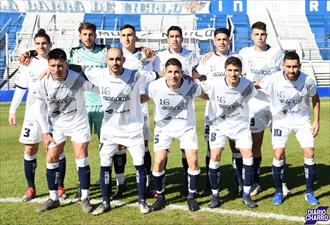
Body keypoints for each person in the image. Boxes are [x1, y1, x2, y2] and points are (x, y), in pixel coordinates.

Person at [80, 48, 158, 215]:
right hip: (109, 130)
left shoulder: (136, 75)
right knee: (105, 164)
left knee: (139, 164)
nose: (115, 63)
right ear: (106, 60)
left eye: (118, 59)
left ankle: (142, 201)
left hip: (133, 129)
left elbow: (160, 75)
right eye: (111, 59)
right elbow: (76, 67)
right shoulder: (98, 74)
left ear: (123, 60)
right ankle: (105, 201)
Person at [33, 48, 95, 213]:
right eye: (52, 65)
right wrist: (45, 132)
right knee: (51, 157)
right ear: (48, 65)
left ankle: (84, 197)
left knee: (81, 156)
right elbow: (39, 109)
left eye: (60, 65)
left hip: (78, 124)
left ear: (67, 64)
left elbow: (96, 86)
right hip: (57, 126)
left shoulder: (78, 79)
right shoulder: (43, 82)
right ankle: (53, 198)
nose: (56, 69)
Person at [8, 29, 66, 202]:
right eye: (38, 44)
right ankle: (31, 187)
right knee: (29, 149)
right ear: (34, 45)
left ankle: (60, 186)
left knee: (56, 150)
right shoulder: (28, 62)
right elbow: (20, 87)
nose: (41, 46)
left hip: (53, 114)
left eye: (44, 43)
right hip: (32, 113)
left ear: (50, 44)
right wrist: (13, 110)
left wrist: (53, 69)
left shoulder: (56, 62)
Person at [257, 51, 320, 205]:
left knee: (309, 153)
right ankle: (279, 192)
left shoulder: (308, 81)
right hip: (281, 122)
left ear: (300, 66)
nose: (292, 70)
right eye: (288, 66)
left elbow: (315, 98)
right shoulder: (273, 79)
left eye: (295, 67)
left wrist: (316, 121)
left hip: (302, 122)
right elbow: (257, 84)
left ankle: (309, 192)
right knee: (278, 155)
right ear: (282, 66)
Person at [238, 21, 291, 196]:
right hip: (254, 105)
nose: (260, 38)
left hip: (276, 105)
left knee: (279, 145)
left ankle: (281, 183)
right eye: (257, 34)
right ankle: (256, 182)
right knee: (255, 145)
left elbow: (285, 75)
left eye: (263, 34)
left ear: (266, 35)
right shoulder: (244, 53)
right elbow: (231, 66)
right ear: (252, 36)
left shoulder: (277, 53)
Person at [144, 58, 203, 212]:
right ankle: (161, 197)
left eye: (176, 72)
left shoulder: (191, 85)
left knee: (193, 160)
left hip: (186, 127)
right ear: (165, 72)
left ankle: (191, 197)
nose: (173, 75)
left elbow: (207, 94)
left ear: (181, 73)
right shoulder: (155, 86)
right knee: (158, 161)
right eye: (170, 72)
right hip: (163, 129)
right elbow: (144, 98)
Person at [200, 56, 258, 208]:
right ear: (225, 71)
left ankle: (246, 195)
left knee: (248, 155)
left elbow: (256, 94)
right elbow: (199, 90)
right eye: (230, 70)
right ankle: (215, 195)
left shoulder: (247, 85)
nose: (233, 73)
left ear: (241, 71)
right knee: (215, 155)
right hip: (219, 125)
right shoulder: (214, 83)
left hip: (240, 126)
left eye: (236, 70)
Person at [195, 28, 244, 196]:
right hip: (214, 112)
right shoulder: (206, 60)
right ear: (214, 41)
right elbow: (196, 76)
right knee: (212, 148)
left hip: (235, 112)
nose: (222, 42)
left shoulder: (237, 59)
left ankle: (240, 183)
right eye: (219, 39)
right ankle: (209, 185)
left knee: (236, 147)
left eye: (225, 39)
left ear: (229, 40)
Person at [153, 25, 200, 194]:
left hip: (185, 108)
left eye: (177, 36)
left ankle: (189, 184)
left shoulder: (190, 55)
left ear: (182, 38)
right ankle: (161, 188)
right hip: (166, 109)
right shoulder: (159, 57)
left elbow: (196, 74)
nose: (175, 39)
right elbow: (153, 77)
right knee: (161, 157)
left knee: (187, 153)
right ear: (167, 38)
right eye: (171, 36)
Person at [111, 24, 155, 199]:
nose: (127, 38)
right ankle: (120, 184)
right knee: (119, 147)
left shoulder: (145, 55)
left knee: (143, 146)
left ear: (135, 36)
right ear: (120, 37)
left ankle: (147, 182)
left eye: (130, 35)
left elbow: (154, 79)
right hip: (120, 109)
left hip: (140, 107)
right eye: (124, 35)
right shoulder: (114, 56)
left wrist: (147, 96)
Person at [68, 22, 109, 199]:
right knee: (81, 147)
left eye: (90, 34)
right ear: (80, 36)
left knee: (105, 146)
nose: (88, 37)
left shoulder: (104, 51)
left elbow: (125, 54)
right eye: (84, 34)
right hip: (81, 107)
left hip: (102, 105)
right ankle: (81, 183)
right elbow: (53, 60)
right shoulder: (73, 54)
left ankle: (105, 180)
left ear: (95, 35)